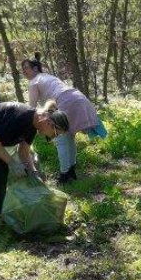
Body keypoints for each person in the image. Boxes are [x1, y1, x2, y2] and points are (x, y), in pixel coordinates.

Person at [0, 101, 69, 218]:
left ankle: (2, 207)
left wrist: (33, 172)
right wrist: (13, 164)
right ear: (47, 122)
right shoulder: (21, 118)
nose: (51, 138)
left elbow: (23, 151)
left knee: (0, 167)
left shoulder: (33, 125)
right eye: (55, 134)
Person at [21, 53, 107, 184]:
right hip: (77, 97)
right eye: (23, 69)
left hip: (65, 100)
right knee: (68, 136)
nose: (24, 71)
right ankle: (70, 170)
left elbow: (31, 107)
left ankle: (64, 175)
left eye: (26, 68)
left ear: (36, 69)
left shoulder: (34, 81)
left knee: (60, 138)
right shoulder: (48, 76)